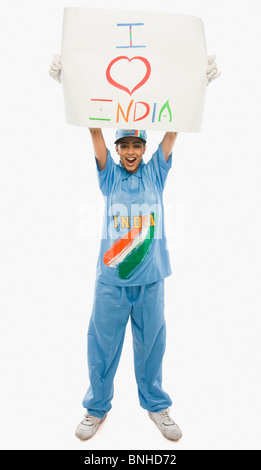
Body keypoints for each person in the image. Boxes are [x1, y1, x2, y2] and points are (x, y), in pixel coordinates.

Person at [49, 54, 221, 441]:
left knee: (152, 347)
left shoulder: (156, 173)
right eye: (123, 144)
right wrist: (71, 85)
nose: (129, 151)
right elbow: (94, 131)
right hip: (111, 280)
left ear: (144, 148)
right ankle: (96, 409)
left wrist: (198, 86)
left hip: (151, 279)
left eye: (136, 145)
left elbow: (174, 130)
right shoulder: (108, 175)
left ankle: (157, 406)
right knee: (102, 346)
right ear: (117, 147)